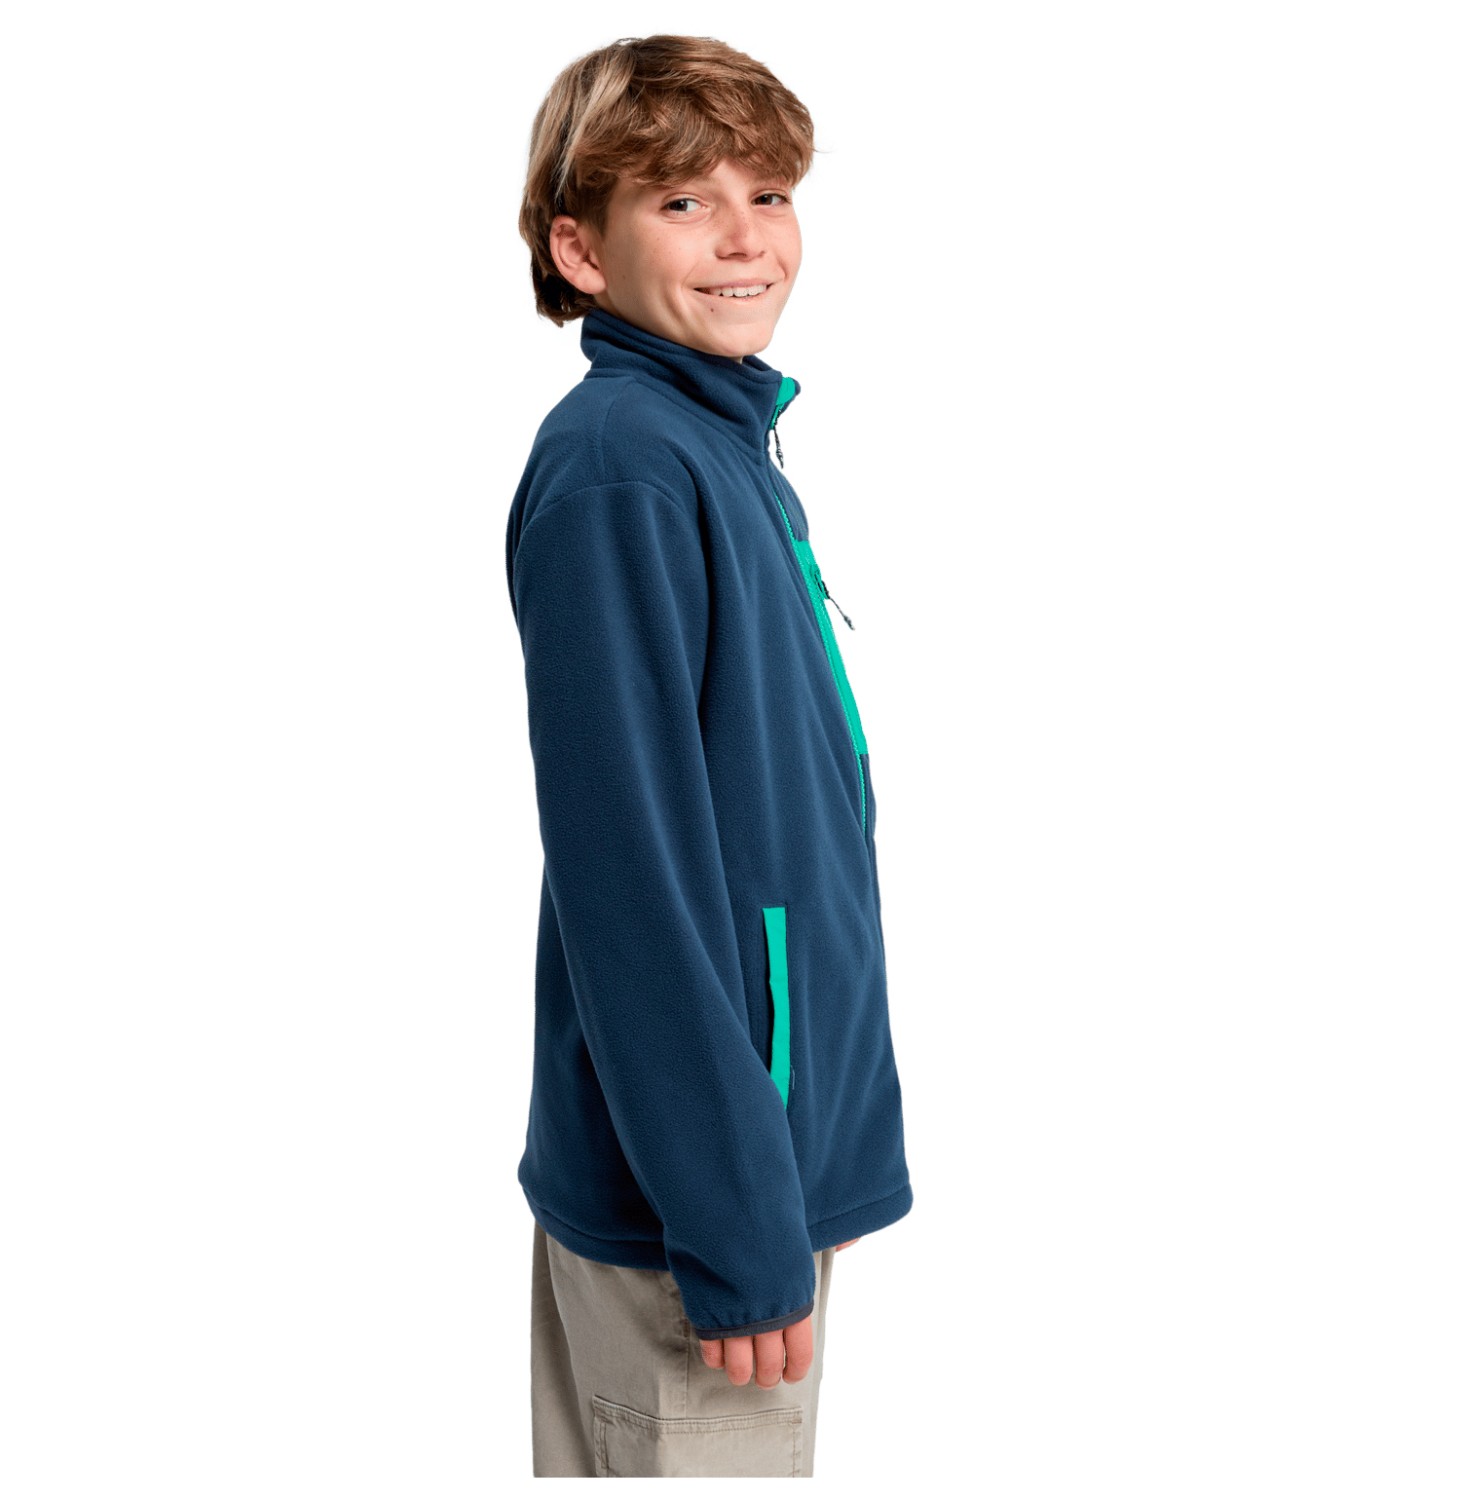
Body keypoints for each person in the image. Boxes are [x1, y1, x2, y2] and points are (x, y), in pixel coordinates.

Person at [504, 34, 914, 1478]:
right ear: (582, 249)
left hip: (746, 1170)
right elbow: (632, 879)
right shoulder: (624, 466)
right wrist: (735, 1222)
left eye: (768, 193)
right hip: (705, 1205)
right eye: (682, 201)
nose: (745, 237)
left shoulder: (712, 443)